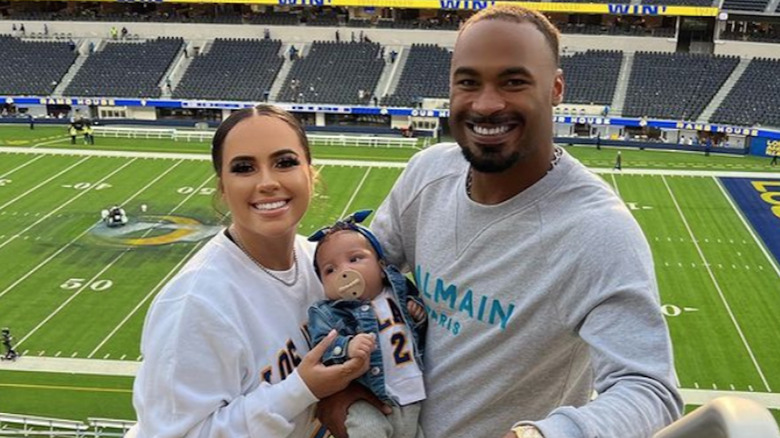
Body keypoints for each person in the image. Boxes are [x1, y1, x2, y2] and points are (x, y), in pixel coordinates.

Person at [320, 5, 682, 438]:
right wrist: (334, 391)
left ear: (556, 88)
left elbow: (649, 390)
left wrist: (541, 435)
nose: (487, 104)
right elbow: (359, 283)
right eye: (468, 82)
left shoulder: (598, 231)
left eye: (513, 81)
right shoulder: (427, 173)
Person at [132, 105, 374, 437]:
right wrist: (300, 389)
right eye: (244, 168)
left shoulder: (318, 264)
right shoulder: (195, 304)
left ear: (311, 173)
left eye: (285, 162)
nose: (267, 182)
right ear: (222, 188)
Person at [307, 210, 427, 438]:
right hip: (368, 397)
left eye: (354, 259)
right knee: (368, 431)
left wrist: (418, 316)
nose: (345, 271)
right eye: (330, 270)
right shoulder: (329, 313)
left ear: (382, 267)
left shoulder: (398, 293)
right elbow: (322, 346)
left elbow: (417, 335)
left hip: (410, 393)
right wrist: (347, 346)